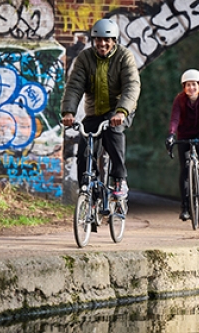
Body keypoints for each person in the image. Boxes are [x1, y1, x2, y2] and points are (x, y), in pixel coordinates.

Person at [61, 18, 141, 200]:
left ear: (114, 41)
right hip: (94, 112)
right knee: (84, 152)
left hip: (119, 110)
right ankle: (89, 194)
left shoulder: (124, 56)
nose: (102, 44)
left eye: (107, 40)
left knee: (113, 132)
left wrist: (122, 111)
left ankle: (120, 179)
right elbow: (74, 86)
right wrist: (68, 112)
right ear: (93, 40)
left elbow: (132, 86)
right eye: (98, 40)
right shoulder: (85, 58)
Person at [165, 69, 199, 221]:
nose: (191, 88)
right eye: (188, 85)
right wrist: (171, 135)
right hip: (185, 133)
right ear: (184, 87)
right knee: (184, 170)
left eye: (194, 85)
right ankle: (185, 208)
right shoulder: (179, 100)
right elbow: (175, 118)